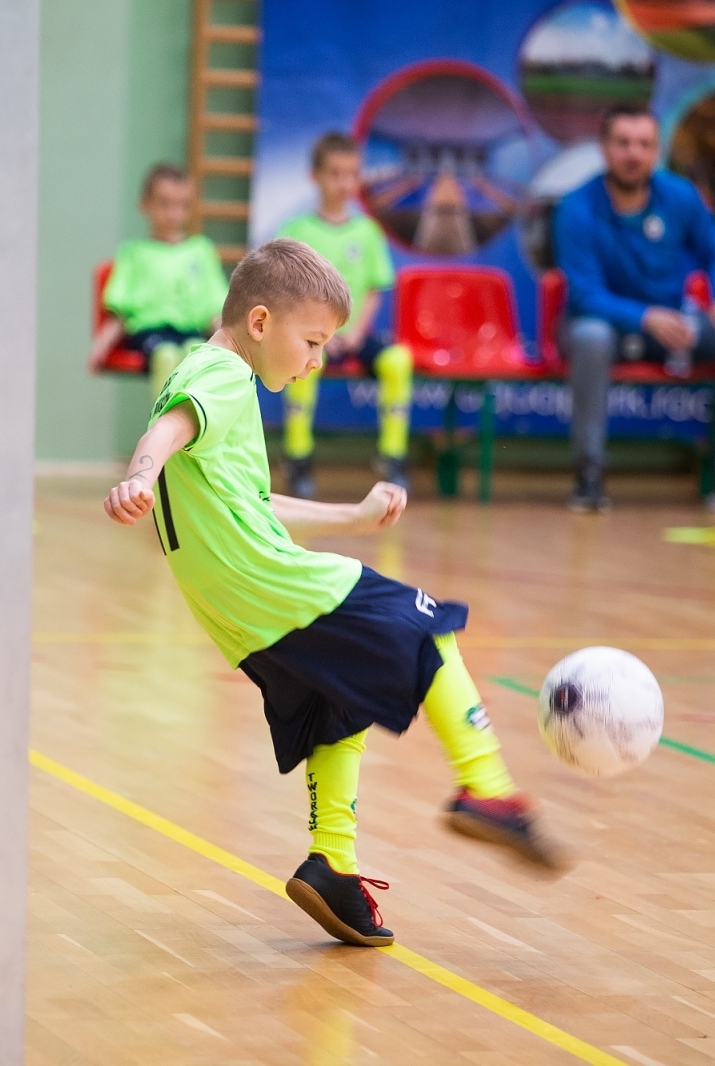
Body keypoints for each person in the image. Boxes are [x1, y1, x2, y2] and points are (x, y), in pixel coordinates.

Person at [102, 239, 563, 948]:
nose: (317, 360)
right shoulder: (221, 373)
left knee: (335, 709)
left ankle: (333, 868)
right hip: (275, 587)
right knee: (426, 626)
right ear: (260, 323)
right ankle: (488, 786)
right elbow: (165, 431)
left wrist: (349, 517)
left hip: (238, 615)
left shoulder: (219, 377)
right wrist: (138, 474)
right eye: (312, 341)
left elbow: (249, 503)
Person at [553, 102, 715, 515]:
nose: (634, 154)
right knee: (591, 336)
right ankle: (589, 475)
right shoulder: (576, 208)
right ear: (604, 148)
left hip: (671, 324)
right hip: (603, 324)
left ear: (656, 150)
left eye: (644, 144)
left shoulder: (680, 197)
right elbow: (585, 295)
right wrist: (645, 317)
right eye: (623, 143)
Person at [275, 132, 412, 496]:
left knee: (397, 360)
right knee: (300, 368)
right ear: (315, 176)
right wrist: (318, 334)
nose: (343, 183)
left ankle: (393, 457)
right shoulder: (296, 233)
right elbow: (286, 292)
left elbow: (374, 288)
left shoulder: (367, 232)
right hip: (313, 338)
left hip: (352, 336)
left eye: (351, 174)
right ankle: (298, 456)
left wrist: (356, 332)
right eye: (334, 173)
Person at [90, 163, 230, 400]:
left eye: (182, 206)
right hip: (149, 335)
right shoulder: (134, 253)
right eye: (164, 204)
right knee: (165, 355)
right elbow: (120, 312)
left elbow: (214, 312)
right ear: (145, 204)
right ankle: (163, 426)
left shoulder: (201, 251)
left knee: (194, 353)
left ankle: (188, 428)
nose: (173, 214)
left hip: (190, 333)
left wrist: (230, 347)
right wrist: (99, 348)